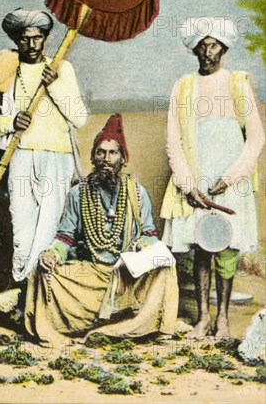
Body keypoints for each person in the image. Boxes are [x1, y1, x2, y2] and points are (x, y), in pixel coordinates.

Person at [25, 114, 178, 348]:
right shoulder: (78, 193)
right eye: (101, 152)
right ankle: (87, 325)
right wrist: (53, 254)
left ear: (123, 159)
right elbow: (65, 237)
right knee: (42, 271)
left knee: (166, 267)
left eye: (113, 153)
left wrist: (141, 248)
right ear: (93, 157)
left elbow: (149, 234)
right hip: (91, 274)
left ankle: (144, 325)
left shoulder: (137, 193)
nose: (106, 159)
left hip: (127, 274)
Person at [161, 17, 265, 338]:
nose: (208, 53)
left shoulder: (237, 83)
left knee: (227, 247)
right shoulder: (184, 86)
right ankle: (203, 318)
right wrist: (187, 184)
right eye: (202, 46)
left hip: (230, 180)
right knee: (202, 248)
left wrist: (232, 177)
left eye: (214, 46)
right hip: (197, 176)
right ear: (195, 50)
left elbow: (256, 139)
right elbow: (173, 139)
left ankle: (223, 320)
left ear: (224, 49)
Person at [0, 8, 88, 284]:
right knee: (23, 232)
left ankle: (44, 298)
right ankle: (24, 291)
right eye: (25, 39)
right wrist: (10, 122)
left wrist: (55, 85)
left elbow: (80, 118)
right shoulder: (5, 68)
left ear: (46, 38)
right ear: (16, 39)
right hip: (20, 156)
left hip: (57, 159)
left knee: (49, 230)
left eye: (39, 38)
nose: (33, 45)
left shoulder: (61, 68)